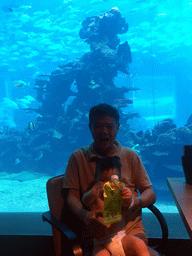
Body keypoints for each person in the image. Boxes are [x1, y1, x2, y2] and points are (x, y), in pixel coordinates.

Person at [63, 103, 159, 256]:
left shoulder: (131, 156)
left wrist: (135, 201)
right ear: (90, 127)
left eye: (109, 126)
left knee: (140, 249)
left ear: (118, 127)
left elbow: (150, 193)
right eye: (98, 126)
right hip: (96, 233)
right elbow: (71, 197)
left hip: (130, 231)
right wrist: (85, 215)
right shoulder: (78, 157)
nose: (104, 131)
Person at [82, 156, 150, 256]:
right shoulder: (95, 193)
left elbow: (127, 206)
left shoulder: (119, 192)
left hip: (120, 236)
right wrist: (92, 193)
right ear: (96, 180)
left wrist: (128, 197)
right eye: (103, 180)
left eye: (113, 180)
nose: (108, 184)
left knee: (139, 244)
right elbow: (85, 202)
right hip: (101, 241)